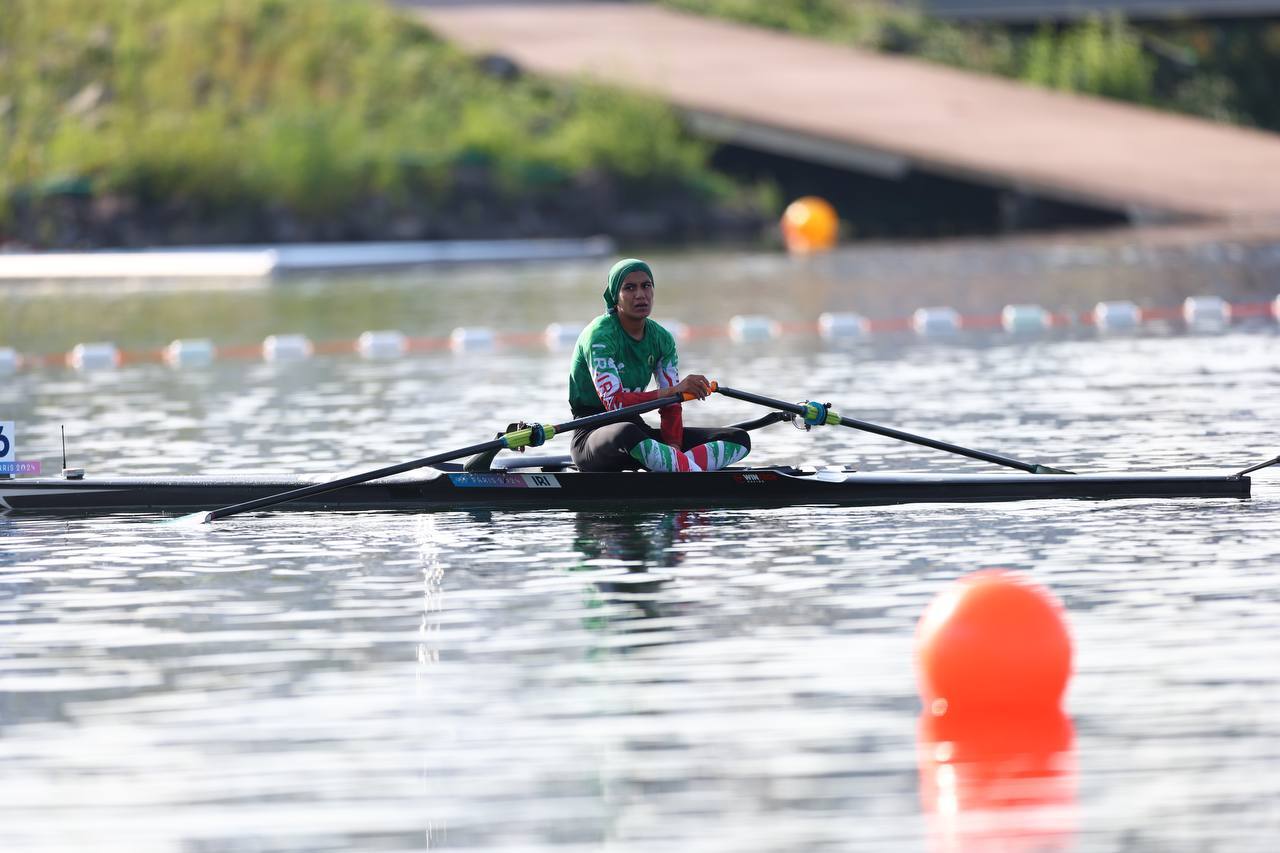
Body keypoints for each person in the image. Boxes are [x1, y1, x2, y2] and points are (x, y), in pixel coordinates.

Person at [568, 258, 750, 472]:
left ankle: (673, 465)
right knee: (627, 431)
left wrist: (673, 445)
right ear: (615, 296)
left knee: (738, 438)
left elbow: (672, 404)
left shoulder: (662, 339)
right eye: (629, 288)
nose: (640, 294)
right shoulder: (599, 336)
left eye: (646, 286)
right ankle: (684, 470)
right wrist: (674, 390)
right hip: (594, 436)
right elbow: (615, 404)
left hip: (638, 434)